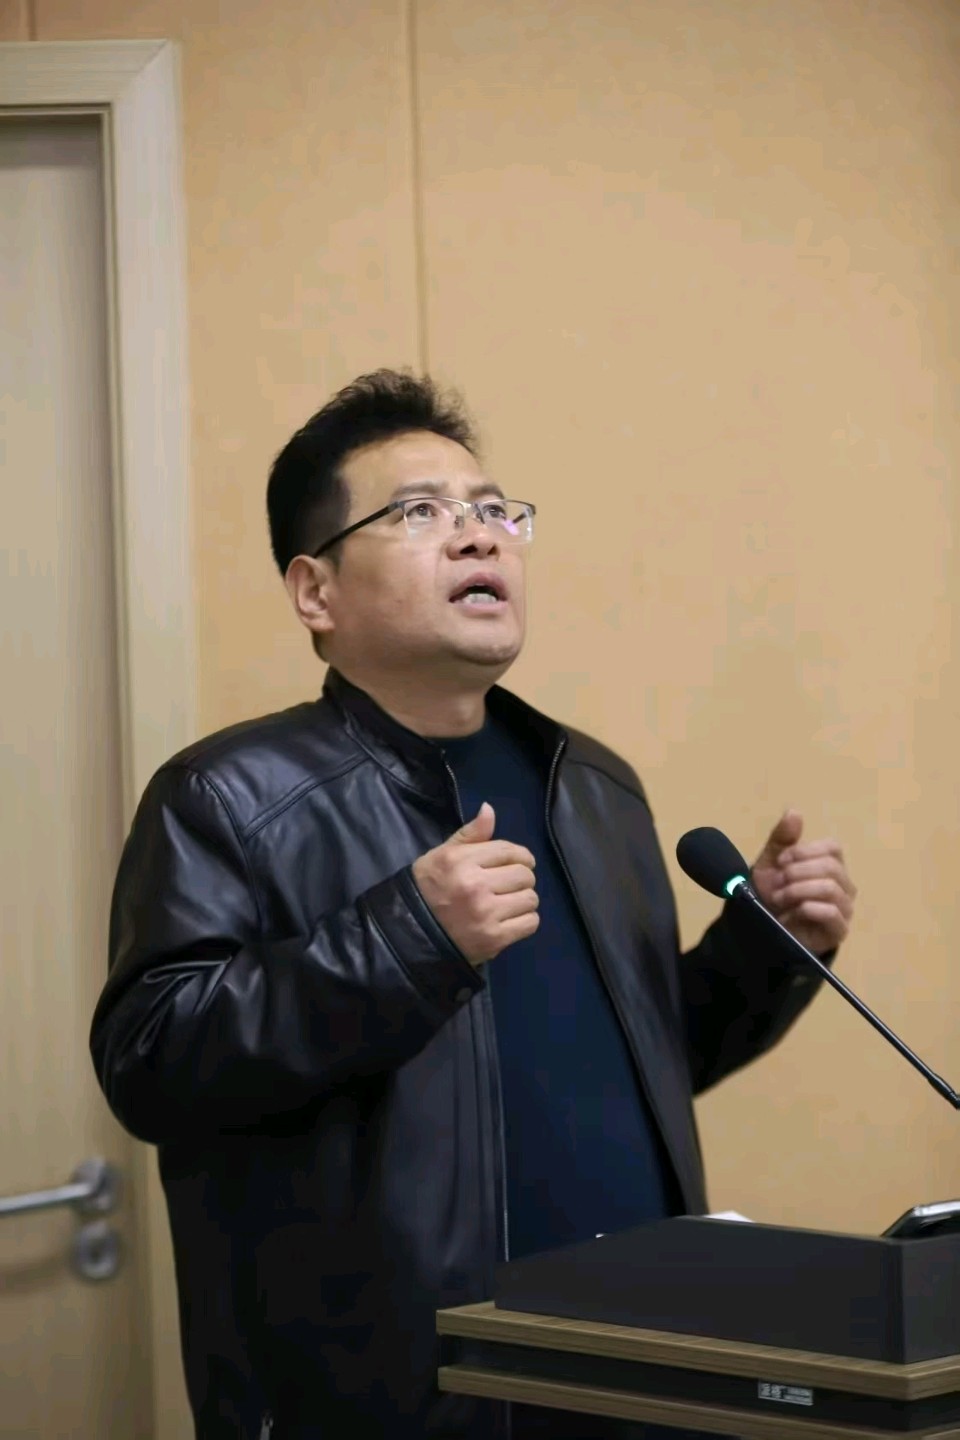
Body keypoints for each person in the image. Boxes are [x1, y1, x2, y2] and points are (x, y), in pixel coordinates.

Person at [90, 371, 857, 1440]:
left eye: (495, 511)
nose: (478, 535)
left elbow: (640, 1059)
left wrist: (762, 950)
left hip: (642, 1370)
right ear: (316, 593)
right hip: (402, 1404)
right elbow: (152, 1062)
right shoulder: (228, 797)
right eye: (419, 513)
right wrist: (409, 938)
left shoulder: (594, 788)